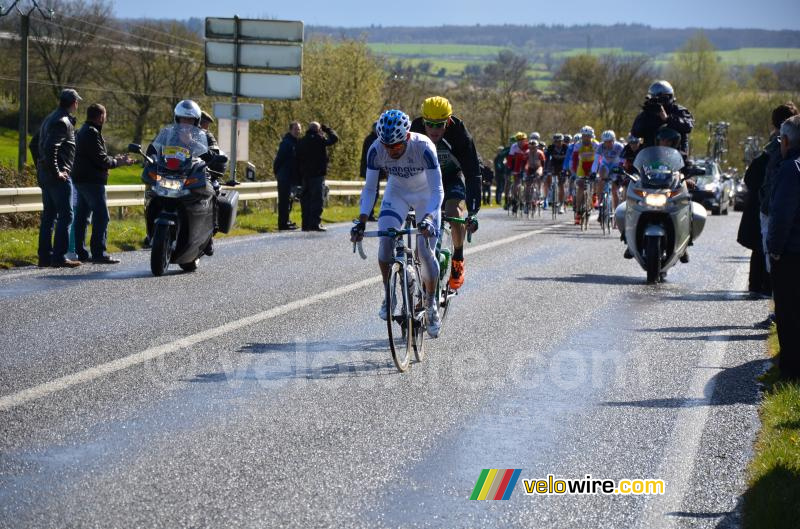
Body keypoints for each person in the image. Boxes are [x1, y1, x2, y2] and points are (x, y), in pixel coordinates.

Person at [351, 109, 444, 338]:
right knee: (385, 242)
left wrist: (430, 217)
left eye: (396, 146)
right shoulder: (376, 149)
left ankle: (431, 304)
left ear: (407, 137)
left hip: (425, 196)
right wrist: (362, 221)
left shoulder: (424, 147)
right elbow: (371, 188)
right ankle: (388, 293)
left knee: (424, 251)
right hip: (398, 193)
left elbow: (437, 190)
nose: (391, 151)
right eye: (387, 146)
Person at [410, 96, 480, 291]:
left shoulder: (459, 134)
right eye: (429, 124)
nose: (434, 130)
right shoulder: (414, 130)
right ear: (423, 121)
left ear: (448, 122)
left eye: (439, 125)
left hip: (451, 178)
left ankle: (458, 257)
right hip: (426, 180)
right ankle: (425, 293)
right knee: (421, 243)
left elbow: (473, 173)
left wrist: (473, 211)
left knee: (452, 212)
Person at [71, 103, 135, 264]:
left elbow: (96, 156)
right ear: (101, 117)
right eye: (104, 116)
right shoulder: (91, 133)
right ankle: (99, 253)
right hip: (91, 181)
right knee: (101, 216)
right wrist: (118, 162)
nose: (105, 118)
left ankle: (81, 252)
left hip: (81, 179)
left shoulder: (84, 131)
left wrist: (114, 159)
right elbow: (101, 160)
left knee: (82, 217)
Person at [767, 114, 800, 379]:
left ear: (786, 141)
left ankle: (790, 372)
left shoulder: (791, 169)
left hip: (793, 253)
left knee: (789, 314)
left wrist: (774, 249)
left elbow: (782, 214)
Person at [35, 88, 82, 268]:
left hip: (45, 174)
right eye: (77, 101)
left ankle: (45, 257)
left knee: (49, 216)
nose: (77, 104)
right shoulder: (63, 121)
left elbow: (35, 144)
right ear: (73, 103)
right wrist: (57, 171)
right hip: (57, 176)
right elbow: (50, 148)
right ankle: (59, 257)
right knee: (66, 215)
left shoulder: (50, 118)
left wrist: (41, 165)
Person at [631, 80, 694, 156]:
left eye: (661, 98)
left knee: (690, 166)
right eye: (654, 98)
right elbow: (636, 132)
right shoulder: (647, 113)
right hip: (651, 158)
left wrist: (667, 118)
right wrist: (647, 116)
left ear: (669, 97)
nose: (658, 102)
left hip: (676, 158)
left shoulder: (679, 111)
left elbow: (688, 126)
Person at [296, 121, 338, 232]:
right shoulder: (320, 140)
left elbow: (297, 157)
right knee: (317, 200)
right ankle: (315, 223)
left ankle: (305, 224)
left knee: (305, 200)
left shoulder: (302, 141)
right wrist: (327, 129)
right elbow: (334, 139)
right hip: (317, 174)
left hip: (305, 175)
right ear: (318, 129)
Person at [273, 121, 302, 231]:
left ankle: (286, 221)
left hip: (290, 176)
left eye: (299, 129)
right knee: (284, 201)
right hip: (284, 176)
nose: (297, 131)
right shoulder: (287, 143)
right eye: (295, 129)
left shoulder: (296, 142)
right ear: (290, 130)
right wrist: (277, 172)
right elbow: (279, 159)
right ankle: (282, 224)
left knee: (289, 200)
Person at [570, 126, 599, 224]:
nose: (586, 138)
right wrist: (574, 172)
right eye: (584, 136)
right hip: (582, 166)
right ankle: (578, 212)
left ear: (592, 136)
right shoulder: (578, 145)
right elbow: (574, 160)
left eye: (588, 136)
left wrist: (595, 171)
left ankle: (594, 195)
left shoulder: (596, 144)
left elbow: (599, 159)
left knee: (596, 180)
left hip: (592, 165)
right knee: (580, 186)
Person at [592, 130, 625, 212]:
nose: (607, 144)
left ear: (614, 140)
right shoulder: (600, 146)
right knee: (601, 179)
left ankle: (616, 211)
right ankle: (599, 201)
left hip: (616, 166)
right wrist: (593, 172)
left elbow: (623, 161)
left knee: (614, 191)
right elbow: (596, 161)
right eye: (605, 142)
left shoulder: (619, 147)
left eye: (610, 142)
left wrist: (620, 174)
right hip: (605, 165)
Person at [359, 121, 382, 222]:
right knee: (372, 191)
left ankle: (369, 213)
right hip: (371, 169)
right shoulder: (372, 140)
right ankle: (369, 213)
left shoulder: (371, 138)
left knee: (374, 191)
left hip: (370, 168)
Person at [506, 132, 529, 214]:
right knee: (516, 184)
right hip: (517, 166)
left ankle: (526, 200)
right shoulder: (514, 146)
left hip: (526, 165)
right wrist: (509, 169)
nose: (520, 142)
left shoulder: (528, 146)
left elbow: (529, 160)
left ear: (525, 140)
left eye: (522, 140)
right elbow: (510, 159)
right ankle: (515, 201)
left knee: (527, 183)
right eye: (519, 140)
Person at [545, 133, 568, 214]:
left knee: (561, 184)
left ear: (562, 141)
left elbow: (568, 159)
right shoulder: (551, 147)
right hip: (554, 164)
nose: (557, 143)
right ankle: (550, 189)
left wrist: (566, 169)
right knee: (548, 174)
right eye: (555, 141)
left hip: (563, 165)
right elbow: (547, 159)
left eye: (559, 141)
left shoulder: (566, 147)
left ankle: (561, 204)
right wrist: (546, 169)